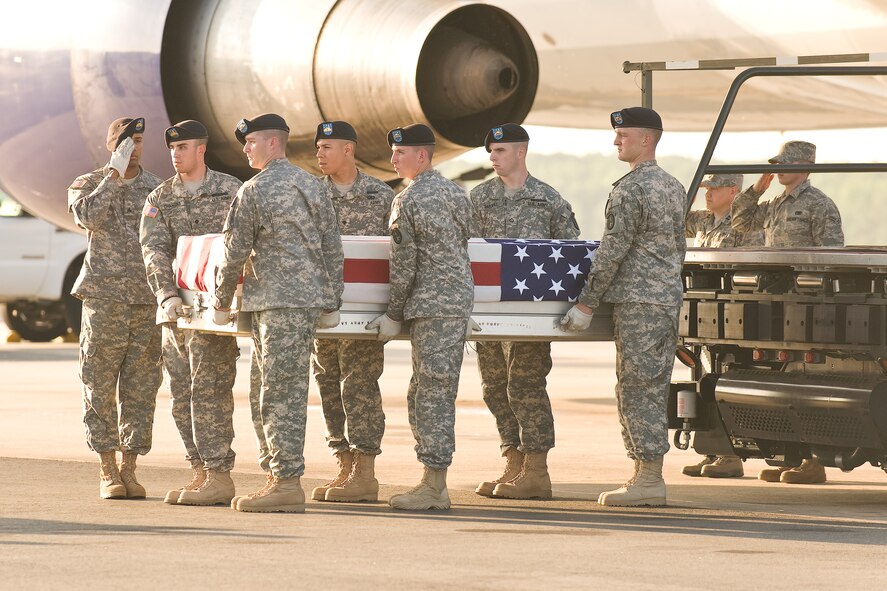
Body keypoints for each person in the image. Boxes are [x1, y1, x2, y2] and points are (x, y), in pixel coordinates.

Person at [212, 114, 343, 513]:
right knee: (272, 390)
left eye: (251, 142)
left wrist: (220, 301)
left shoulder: (255, 190)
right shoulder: (311, 186)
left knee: (277, 394)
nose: (245, 149)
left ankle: (285, 482)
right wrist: (331, 299)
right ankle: (277, 477)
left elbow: (234, 250)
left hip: (275, 302)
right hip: (302, 303)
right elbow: (332, 246)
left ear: (272, 144)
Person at [560, 107, 686, 507]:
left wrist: (586, 302)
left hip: (638, 301)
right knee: (651, 384)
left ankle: (648, 478)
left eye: (624, 135)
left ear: (646, 140)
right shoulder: (673, 186)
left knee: (636, 389)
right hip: (664, 299)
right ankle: (645, 474)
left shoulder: (631, 189)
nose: (617, 141)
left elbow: (613, 252)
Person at [365, 123, 475, 511]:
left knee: (430, 394)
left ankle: (433, 485)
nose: (393, 159)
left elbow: (405, 260)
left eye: (400, 153)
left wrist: (393, 312)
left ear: (422, 156)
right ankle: (433, 480)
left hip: (431, 305)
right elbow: (466, 242)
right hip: (456, 302)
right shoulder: (456, 194)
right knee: (435, 390)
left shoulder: (408, 200)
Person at [470, 123, 580, 500]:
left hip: (531, 316)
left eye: (500, 151)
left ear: (521, 152)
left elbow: (571, 254)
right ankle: (513, 461)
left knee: (526, 386)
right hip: (489, 316)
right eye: (491, 152)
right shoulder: (479, 198)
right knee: (494, 388)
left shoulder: (548, 200)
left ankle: (537, 469)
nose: (493, 158)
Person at [139, 120, 243, 506]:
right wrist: (166, 296)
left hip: (214, 314)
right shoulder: (159, 198)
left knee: (211, 391)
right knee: (182, 394)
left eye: (183, 147)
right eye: (172, 148)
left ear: (201, 150)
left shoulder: (231, 190)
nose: (176, 154)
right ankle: (199, 471)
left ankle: (219, 473)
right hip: (177, 313)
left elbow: (240, 246)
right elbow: (154, 251)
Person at [732, 140, 843, 485]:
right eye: (777, 163)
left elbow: (831, 256)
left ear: (807, 166)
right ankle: (791, 457)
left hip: (805, 303)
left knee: (806, 379)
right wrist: (755, 189)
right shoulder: (775, 203)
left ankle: (815, 461)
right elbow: (740, 223)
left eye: (786, 163)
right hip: (776, 299)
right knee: (780, 378)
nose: (778, 169)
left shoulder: (819, 204)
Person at [67, 117, 163, 499]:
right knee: (99, 384)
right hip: (104, 299)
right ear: (112, 145)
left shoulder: (157, 188)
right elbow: (88, 217)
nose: (134, 148)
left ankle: (130, 467)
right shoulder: (88, 183)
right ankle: (106, 469)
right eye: (126, 142)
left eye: (138, 140)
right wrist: (113, 174)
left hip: (145, 300)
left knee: (141, 388)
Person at [309, 121, 393, 503]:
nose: (320, 154)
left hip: (363, 313)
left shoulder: (381, 194)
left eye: (328, 147)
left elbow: (397, 251)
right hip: (323, 309)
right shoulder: (310, 194)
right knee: (328, 384)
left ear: (348, 149)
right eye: (318, 147)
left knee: (359, 386)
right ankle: (343, 464)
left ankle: (365, 472)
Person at [682, 173, 751, 479]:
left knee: (725, 383)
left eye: (714, 188)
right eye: (706, 188)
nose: (708, 193)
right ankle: (712, 450)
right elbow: (674, 220)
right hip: (704, 314)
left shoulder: (743, 224)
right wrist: (695, 190)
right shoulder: (703, 221)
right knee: (704, 382)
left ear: (734, 191)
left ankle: (729, 455)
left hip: (732, 315)